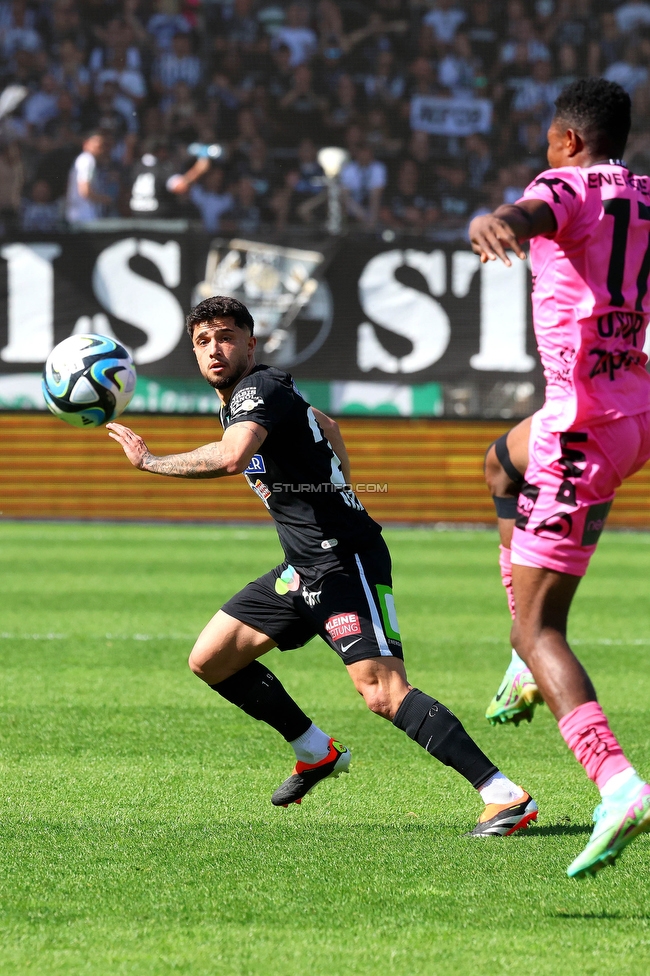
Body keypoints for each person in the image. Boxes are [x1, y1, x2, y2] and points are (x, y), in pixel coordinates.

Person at [106, 295, 536, 838]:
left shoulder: (257, 390)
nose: (215, 349)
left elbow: (232, 456)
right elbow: (327, 425)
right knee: (212, 658)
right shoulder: (253, 395)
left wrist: (150, 462)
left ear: (249, 343)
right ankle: (315, 752)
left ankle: (505, 796)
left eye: (226, 336)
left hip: (342, 559)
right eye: (203, 341)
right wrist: (336, 486)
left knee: (382, 692)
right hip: (304, 563)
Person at [469, 78, 650, 878]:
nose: (544, 152)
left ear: (569, 139)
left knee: (542, 627)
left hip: (583, 426)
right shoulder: (644, 191)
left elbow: (533, 212)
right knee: (498, 462)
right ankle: (520, 662)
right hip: (631, 406)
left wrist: (498, 221)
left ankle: (617, 785)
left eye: (548, 138)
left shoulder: (563, 182)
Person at [65, 131, 111, 224]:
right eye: (95, 141)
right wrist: (104, 199)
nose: (98, 145)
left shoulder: (85, 159)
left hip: (79, 214)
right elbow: (85, 191)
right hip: (83, 217)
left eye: (101, 143)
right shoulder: (87, 160)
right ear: (86, 144)